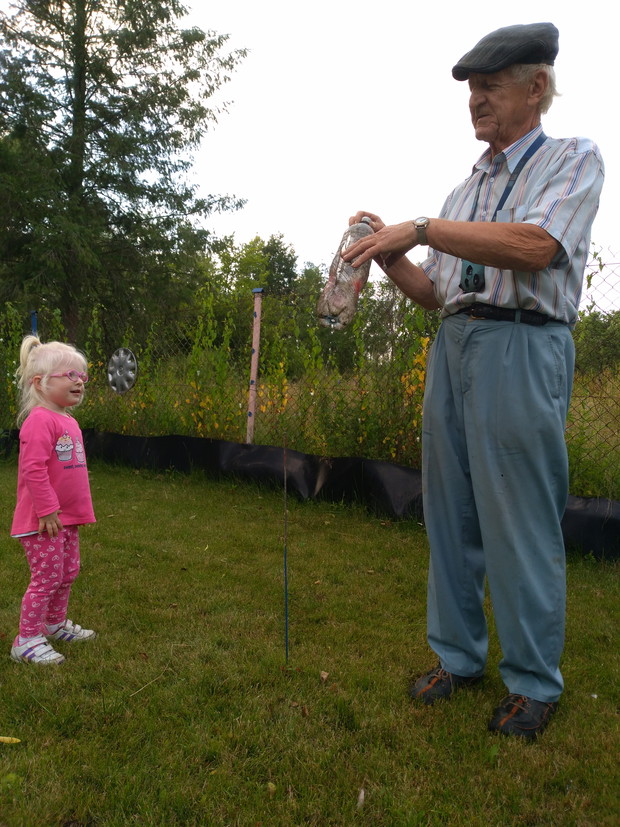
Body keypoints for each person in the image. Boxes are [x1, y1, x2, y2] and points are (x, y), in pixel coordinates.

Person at [342, 22, 604, 739]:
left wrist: (421, 227)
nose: (476, 100)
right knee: (450, 513)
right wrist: (387, 252)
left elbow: (536, 245)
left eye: (491, 85)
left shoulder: (571, 158)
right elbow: (436, 293)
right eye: (471, 90)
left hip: (522, 345)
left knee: (519, 519)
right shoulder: (466, 189)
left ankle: (532, 683)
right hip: (454, 345)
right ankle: (457, 658)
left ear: (537, 87)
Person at [10, 335, 97, 665]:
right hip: (43, 521)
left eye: (81, 375)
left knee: (67, 572)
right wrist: (47, 510)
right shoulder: (39, 420)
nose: (79, 381)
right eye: (70, 375)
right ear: (40, 383)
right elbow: (33, 469)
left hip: (66, 517)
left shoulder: (67, 419)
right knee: (46, 578)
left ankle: (53, 623)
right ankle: (27, 639)